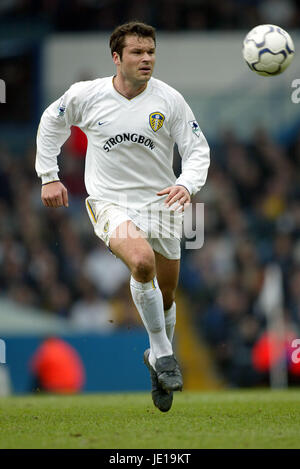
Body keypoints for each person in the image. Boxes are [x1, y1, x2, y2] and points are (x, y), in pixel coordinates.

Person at [35, 21, 210, 412]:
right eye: (137, 52)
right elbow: (51, 122)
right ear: (117, 58)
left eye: (150, 52)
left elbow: (197, 149)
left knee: (165, 296)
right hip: (111, 201)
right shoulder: (87, 95)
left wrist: (188, 183)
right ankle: (163, 352)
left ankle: (154, 359)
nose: (146, 58)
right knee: (142, 263)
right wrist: (49, 175)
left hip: (163, 203)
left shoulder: (170, 101)